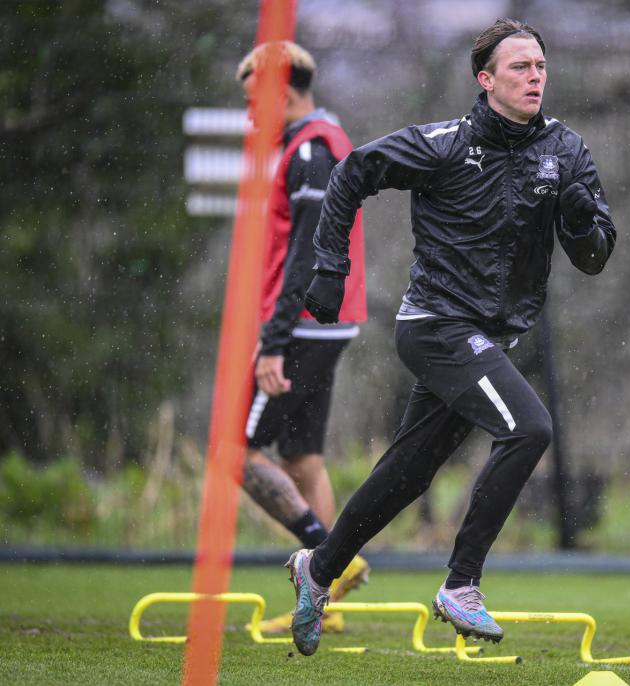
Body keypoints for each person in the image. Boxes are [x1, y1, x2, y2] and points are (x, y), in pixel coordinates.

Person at [282, 18, 617, 656]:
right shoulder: (444, 144)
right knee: (530, 428)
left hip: (488, 339)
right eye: (519, 67)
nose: (535, 76)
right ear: (485, 79)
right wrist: (331, 267)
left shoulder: (567, 152)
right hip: (434, 325)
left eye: (540, 66)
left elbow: (596, 256)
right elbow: (352, 172)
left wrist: (578, 225)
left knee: (408, 473)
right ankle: (461, 583)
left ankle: (317, 569)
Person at [235, 41, 370, 634]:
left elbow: (306, 258)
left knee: (235, 453)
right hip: (328, 323)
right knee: (302, 458)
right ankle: (324, 608)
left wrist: (271, 340)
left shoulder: (311, 150)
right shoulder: (322, 142)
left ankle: (333, 561)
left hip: (304, 327)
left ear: (283, 94)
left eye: (253, 102)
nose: (249, 116)